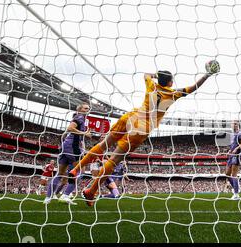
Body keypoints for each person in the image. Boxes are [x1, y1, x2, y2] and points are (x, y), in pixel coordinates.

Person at [67, 63, 219, 206]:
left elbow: (145, 74)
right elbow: (193, 87)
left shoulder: (151, 85)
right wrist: (207, 74)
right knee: (113, 160)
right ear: (171, 83)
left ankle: (76, 169)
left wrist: (156, 75)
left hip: (131, 117)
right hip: (141, 128)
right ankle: (91, 191)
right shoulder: (173, 94)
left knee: (103, 145)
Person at [43, 103, 92, 205]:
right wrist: (84, 133)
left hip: (66, 146)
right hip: (72, 147)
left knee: (60, 174)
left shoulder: (78, 118)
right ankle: (65, 195)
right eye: (85, 108)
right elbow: (70, 128)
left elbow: (67, 132)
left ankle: (47, 198)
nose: (88, 110)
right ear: (79, 109)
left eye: (88, 108)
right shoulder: (80, 118)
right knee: (80, 172)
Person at [225, 121, 241, 200]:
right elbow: (232, 146)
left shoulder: (239, 133)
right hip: (231, 155)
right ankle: (236, 187)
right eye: (233, 123)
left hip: (237, 155)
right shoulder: (231, 135)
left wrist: (237, 149)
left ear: (238, 126)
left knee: (234, 174)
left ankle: (236, 194)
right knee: (227, 174)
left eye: (236, 124)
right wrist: (229, 151)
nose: (234, 125)